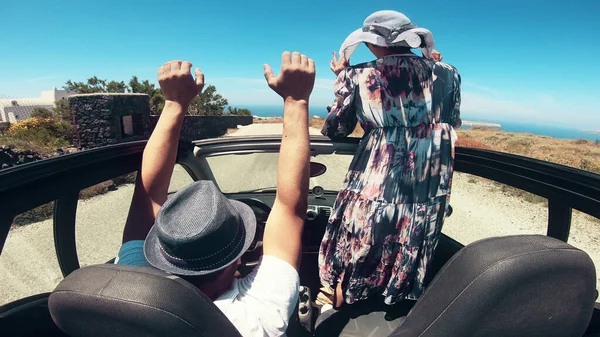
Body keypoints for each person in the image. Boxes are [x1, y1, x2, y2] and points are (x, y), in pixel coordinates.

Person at [115, 52, 316, 336]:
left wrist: (173, 103)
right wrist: (296, 101)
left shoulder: (130, 298)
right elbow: (290, 208)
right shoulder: (257, 319)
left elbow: (148, 197)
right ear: (237, 259)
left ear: (161, 253)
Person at [318, 10, 462, 310]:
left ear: (372, 43)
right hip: (430, 181)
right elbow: (453, 121)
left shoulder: (358, 74)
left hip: (379, 177)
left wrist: (341, 81)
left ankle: (342, 307)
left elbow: (336, 128)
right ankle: (397, 304)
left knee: (364, 237)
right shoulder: (449, 73)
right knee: (411, 238)